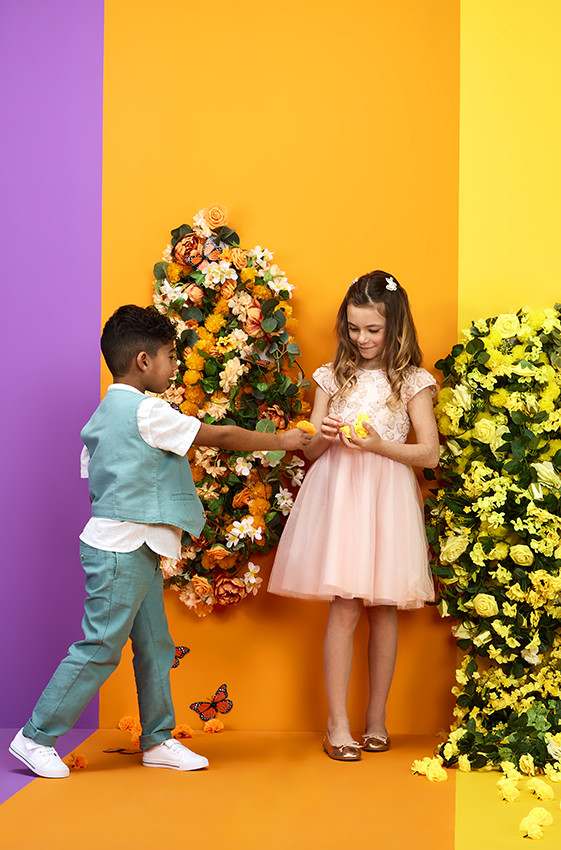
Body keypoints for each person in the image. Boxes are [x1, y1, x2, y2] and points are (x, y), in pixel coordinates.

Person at [9, 305, 311, 778]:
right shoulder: (148, 410)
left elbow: (103, 475)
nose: (176, 366)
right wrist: (286, 441)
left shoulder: (103, 415)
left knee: (155, 645)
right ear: (144, 361)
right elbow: (221, 435)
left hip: (136, 545)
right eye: (171, 356)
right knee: (101, 645)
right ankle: (36, 735)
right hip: (121, 549)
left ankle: (157, 738)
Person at [267, 270, 438, 762]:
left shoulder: (412, 380)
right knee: (344, 605)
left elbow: (429, 454)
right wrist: (324, 435)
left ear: (395, 327)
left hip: (387, 499)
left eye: (373, 330)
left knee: (383, 608)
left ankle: (376, 719)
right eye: (354, 328)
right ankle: (337, 724)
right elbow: (314, 454)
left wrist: (378, 444)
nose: (361, 339)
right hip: (340, 497)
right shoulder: (331, 375)